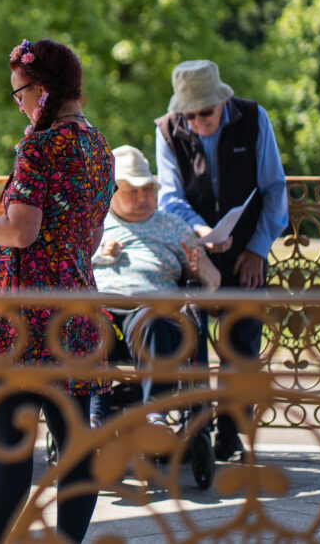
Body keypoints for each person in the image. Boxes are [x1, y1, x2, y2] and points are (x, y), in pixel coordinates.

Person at [0, 38, 113, 544]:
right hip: (76, 306)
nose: (18, 104)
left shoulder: (39, 147)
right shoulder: (98, 146)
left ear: (41, 91)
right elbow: (93, 233)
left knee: (13, 451)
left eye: (18, 94)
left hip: (24, 312)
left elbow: (19, 232)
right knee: (76, 448)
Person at [154, 59, 288, 462]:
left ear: (221, 102)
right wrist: (199, 235)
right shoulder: (166, 129)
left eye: (205, 113)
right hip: (194, 253)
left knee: (242, 349)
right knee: (190, 346)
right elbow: (169, 197)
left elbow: (274, 189)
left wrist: (257, 250)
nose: (197, 121)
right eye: (189, 115)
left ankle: (232, 435)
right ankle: (197, 433)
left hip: (247, 251)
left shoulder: (253, 117)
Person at [90, 145, 220, 429]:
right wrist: (96, 255)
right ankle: (94, 417)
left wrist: (198, 269)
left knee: (155, 318)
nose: (143, 198)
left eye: (148, 189)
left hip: (152, 310)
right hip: (104, 306)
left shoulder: (174, 226)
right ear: (111, 193)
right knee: (89, 324)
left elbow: (212, 281)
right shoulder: (94, 226)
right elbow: (69, 267)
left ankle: (155, 416)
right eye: (132, 191)